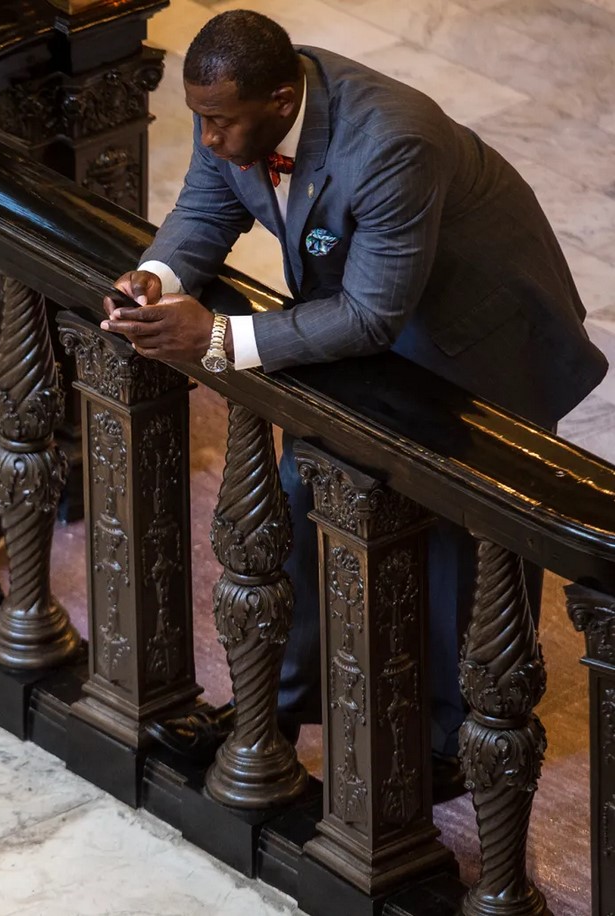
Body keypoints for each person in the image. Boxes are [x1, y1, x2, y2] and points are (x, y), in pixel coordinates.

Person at [103, 10, 608, 787]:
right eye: (198, 118)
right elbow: (204, 209)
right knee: (302, 493)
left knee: (466, 541)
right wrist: (156, 277)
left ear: (280, 102)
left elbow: (372, 317)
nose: (206, 138)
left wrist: (219, 337)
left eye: (219, 123)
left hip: (478, 335)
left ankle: (450, 744)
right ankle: (270, 709)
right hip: (364, 311)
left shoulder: (390, 142)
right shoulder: (234, 102)